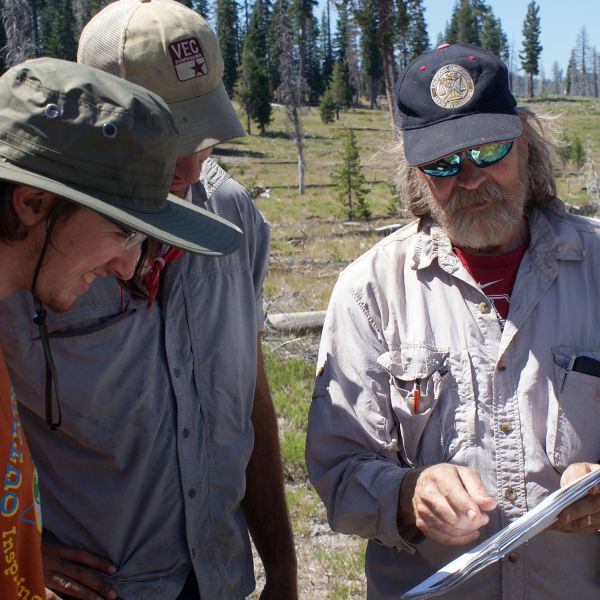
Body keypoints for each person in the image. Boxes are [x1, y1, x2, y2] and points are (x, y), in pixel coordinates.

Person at [0, 1, 297, 599]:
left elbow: (249, 396)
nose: (188, 166)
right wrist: (19, 547)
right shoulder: (27, 247)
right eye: (169, 136)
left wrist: (283, 573)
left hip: (217, 579)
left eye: (204, 133)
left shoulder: (233, 218)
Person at [305, 42, 600, 599]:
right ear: (416, 176)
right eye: (441, 164)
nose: (468, 178)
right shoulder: (370, 291)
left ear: (526, 143)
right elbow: (337, 471)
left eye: (488, 150)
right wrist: (405, 494)